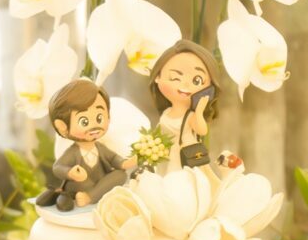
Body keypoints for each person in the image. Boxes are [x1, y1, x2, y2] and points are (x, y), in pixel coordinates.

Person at [36, 79, 136, 212]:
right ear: (62, 127)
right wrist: (71, 173)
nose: (94, 126)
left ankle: (90, 196)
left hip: (100, 182)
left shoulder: (100, 148)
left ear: (108, 117)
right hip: (80, 185)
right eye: (84, 121)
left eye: (99, 118)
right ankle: (89, 195)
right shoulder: (72, 152)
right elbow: (58, 167)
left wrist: (124, 163)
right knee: (82, 185)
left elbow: (113, 158)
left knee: (121, 175)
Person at [147, 41, 222, 171]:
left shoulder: (190, 116)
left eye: (197, 80)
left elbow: (202, 130)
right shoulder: (167, 112)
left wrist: (199, 112)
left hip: (184, 156)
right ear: (157, 77)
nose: (186, 84)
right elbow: (159, 134)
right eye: (175, 77)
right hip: (165, 154)